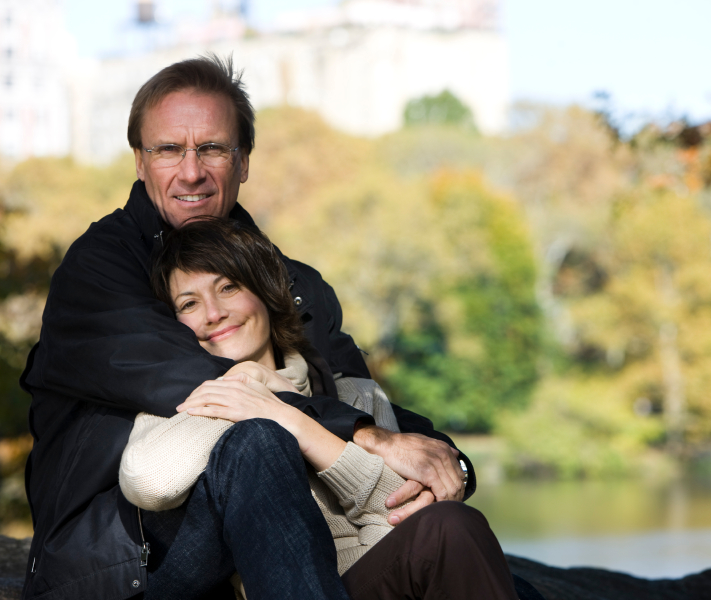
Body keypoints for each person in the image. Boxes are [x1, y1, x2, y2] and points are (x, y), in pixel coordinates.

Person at [20, 54, 473, 600]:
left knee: (473, 555)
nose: (191, 171)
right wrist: (364, 437)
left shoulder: (291, 281)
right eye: (168, 150)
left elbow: (357, 392)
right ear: (139, 161)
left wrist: (447, 462)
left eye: (211, 148)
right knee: (254, 441)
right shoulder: (101, 270)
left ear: (244, 160)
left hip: (280, 547)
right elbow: (201, 381)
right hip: (131, 564)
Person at [118, 217, 534, 600]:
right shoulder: (186, 403)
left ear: (266, 293)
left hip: (372, 580)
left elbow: (396, 514)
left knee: (455, 527)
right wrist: (243, 383)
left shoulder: (357, 396)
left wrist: (288, 414)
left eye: (228, 287)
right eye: (189, 304)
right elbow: (152, 481)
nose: (213, 313)